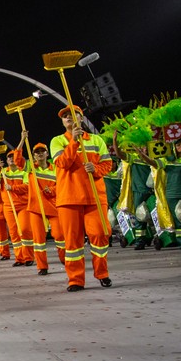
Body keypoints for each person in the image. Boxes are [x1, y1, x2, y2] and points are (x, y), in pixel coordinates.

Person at [49, 105, 113, 292]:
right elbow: (63, 163)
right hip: (69, 199)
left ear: (81, 118)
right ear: (62, 121)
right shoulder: (57, 141)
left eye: (73, 115)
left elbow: (107, 163)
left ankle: (102, 274)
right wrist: (74, 143)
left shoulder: (96, 139)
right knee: (73, 242)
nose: (69, 118)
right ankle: (76, 280)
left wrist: (96, 169)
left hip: (94, 196)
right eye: (65, 116)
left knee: (100, 235)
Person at [25, 141, 64, 275]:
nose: (40, 154)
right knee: (39, 239)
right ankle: (42, 266)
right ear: (33, 156)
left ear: (47, 153)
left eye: (42, 151)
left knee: (59, 235)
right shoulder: (30, 168)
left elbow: (62, 185)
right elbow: (17, 159)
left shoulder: (56, 168)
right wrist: (22, 139)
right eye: (37, 152)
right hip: (36, 208)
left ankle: (65, 258)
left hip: (53, 206)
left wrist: (52, 190)